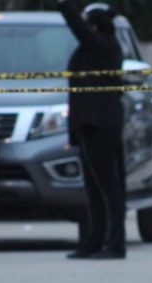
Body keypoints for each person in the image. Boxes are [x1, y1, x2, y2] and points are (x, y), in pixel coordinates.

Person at [58, 0, 127, 260]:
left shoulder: (104, 46)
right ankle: (94, 240)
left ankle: (115, 243)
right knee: (94, 188)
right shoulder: (94, 48)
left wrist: (64, 5)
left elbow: (80, 30)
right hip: (88, 125)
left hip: (101, 125)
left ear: (95, 27)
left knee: (109, 186)